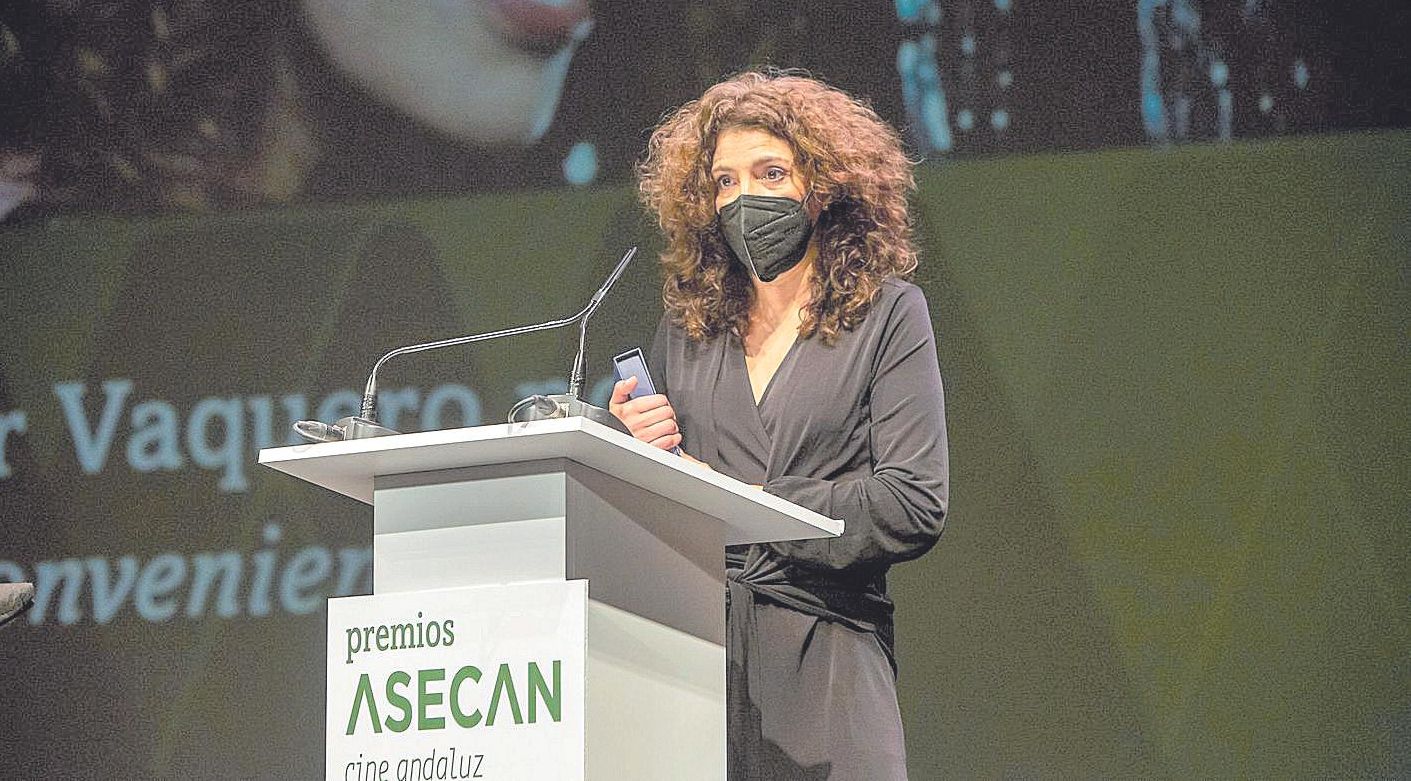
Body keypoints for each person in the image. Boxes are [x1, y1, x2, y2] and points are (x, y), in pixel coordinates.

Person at [610, 71, 949, 779]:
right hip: (699, 663)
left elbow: (913, 502)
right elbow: (675, 496)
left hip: (828, 657)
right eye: (724, 183)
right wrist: (636, 450)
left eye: (769, 173)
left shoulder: (887, 314)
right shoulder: (691, 328)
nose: (743, 201)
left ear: (822, 185)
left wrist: (746, 501)